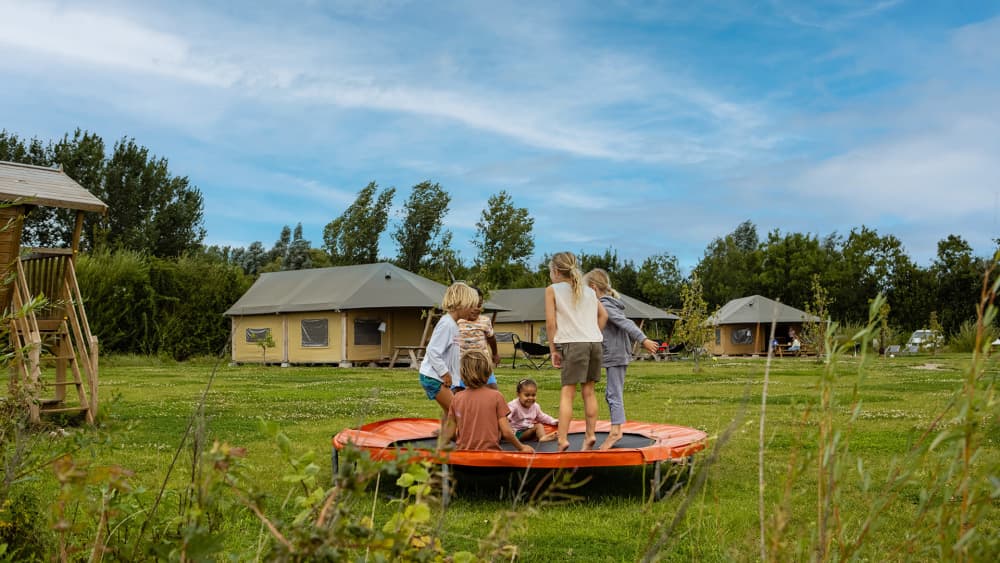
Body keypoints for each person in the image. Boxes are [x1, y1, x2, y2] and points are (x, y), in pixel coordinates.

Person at [584, 268, 659, 450]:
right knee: (611, 394)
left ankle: (616, 431)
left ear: (593, 288)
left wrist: (644, 339)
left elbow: (627, 324)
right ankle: (615, 428)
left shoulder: (606, 305)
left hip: (616, 354)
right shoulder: (604, 304)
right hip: (612, 353)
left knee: (613, 394)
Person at [545, 251, 608, 452]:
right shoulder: (588, 290)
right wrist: (592, 332)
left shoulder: (552, 290)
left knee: (567, 393)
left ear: (555, 271)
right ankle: (590, 435)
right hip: (594, 343)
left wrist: (553, 350)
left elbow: (550, 323)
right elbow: (604, 315)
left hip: (574, 344)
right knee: (589, 392)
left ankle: (562, 439)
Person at [440, 349, 533, 452]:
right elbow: (506, 432)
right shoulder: (496, 396)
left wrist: (442, 449)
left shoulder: (457, 398)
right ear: (488, 372)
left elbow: (449, 432)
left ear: (462, 374)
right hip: (490, 455)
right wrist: (522, 447)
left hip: (464, 455)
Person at [418, 282, 480, 425]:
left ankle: (445, 440)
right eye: (471, 306)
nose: (473, 310)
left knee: (449, 412)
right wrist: (445, 373)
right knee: (458, 411)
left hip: (437, 377)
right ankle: (464, 441)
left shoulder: (453, 324)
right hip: (433, 377)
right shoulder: (447, 324)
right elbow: (433, 351)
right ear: (461, 304)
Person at [454, 286, 500, 391]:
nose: (476, 309)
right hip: (461, 366)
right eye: (472, 305)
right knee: (458, 394)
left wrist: (495, 353)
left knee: (493, 391)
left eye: (479, 305)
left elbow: (491, 338)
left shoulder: (485, 321)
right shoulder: (457, 321)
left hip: (482, 365)